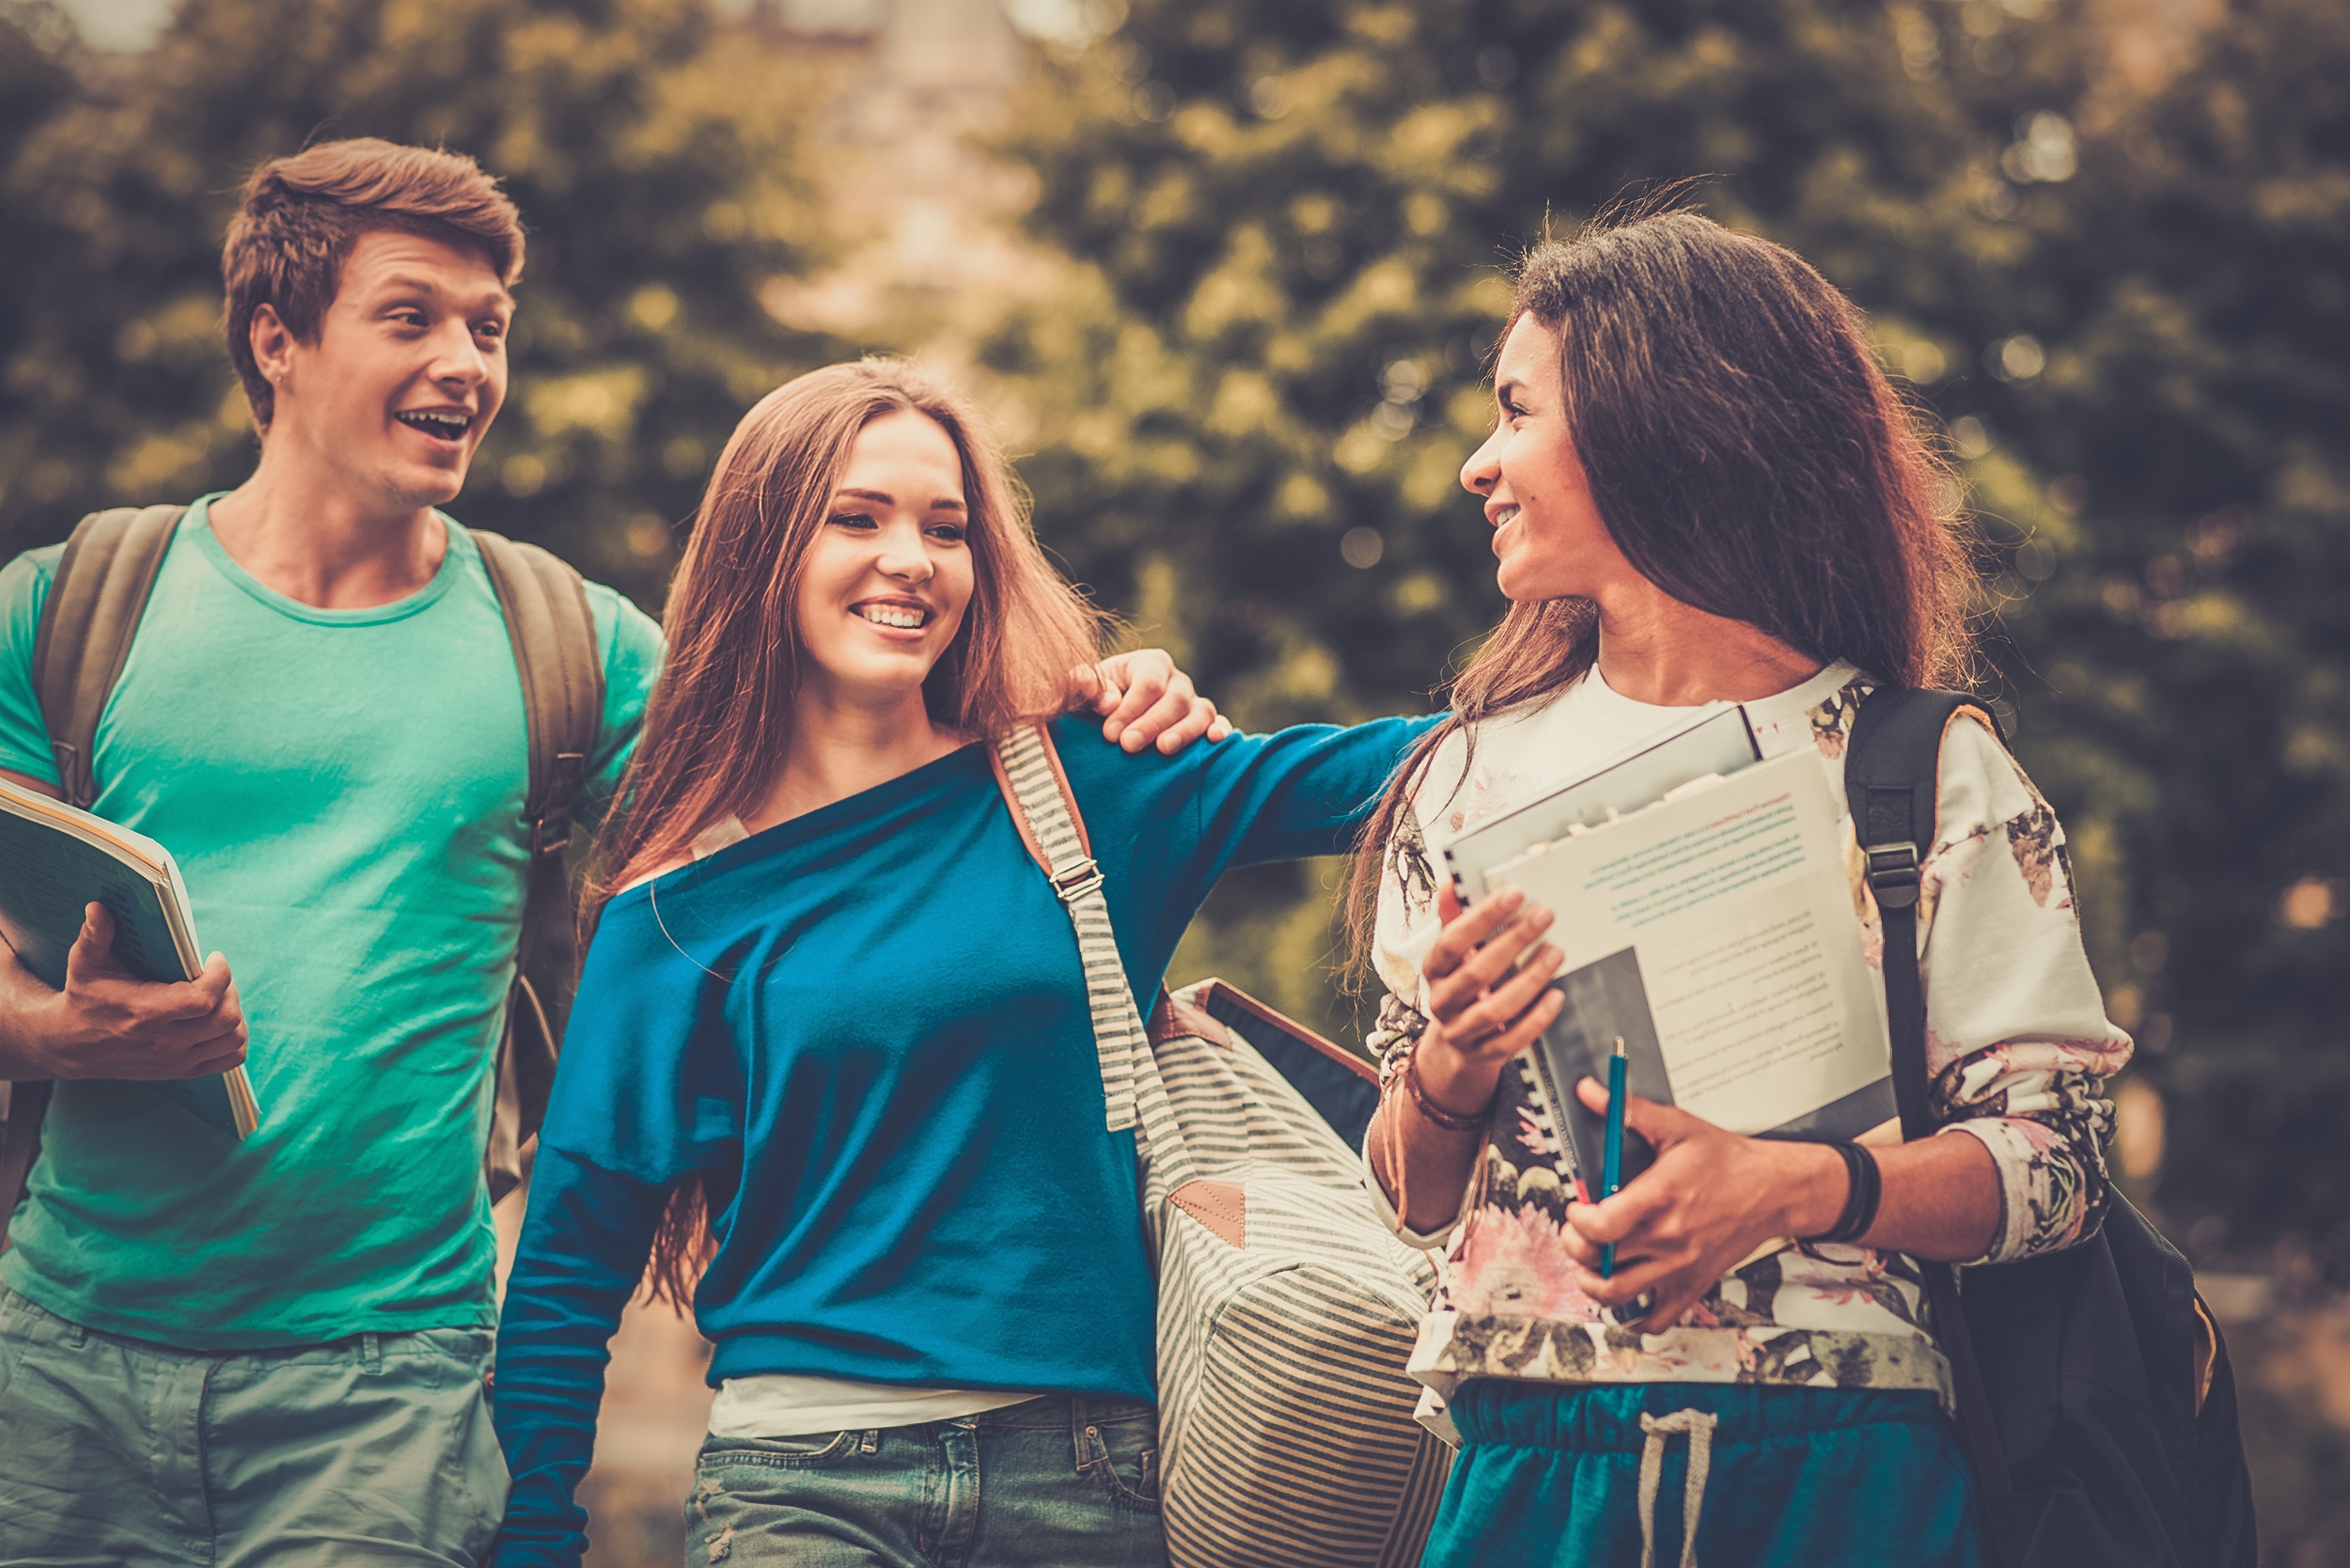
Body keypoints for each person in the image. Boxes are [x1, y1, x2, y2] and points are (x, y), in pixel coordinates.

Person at [0, 139, 1215, 1567]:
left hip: (389, 1387)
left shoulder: (574, 650)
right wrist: (53, 1030)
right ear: (277, 339)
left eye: (489, 328)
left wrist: (1066, 709)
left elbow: (855, 794)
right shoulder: (71, 608)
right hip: (62, 1357)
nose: (467, 362)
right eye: (413, 317)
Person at [488, 358, 1437, 1568]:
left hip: (1091, 1482)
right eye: (857, 517)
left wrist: (1638, 619)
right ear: (761, 551)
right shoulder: (675, 911)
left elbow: (1401, 778)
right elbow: (570, 1276)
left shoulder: (1087, 785)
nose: (911, 559)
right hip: (798, 1491)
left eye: (947, 528)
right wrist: (529, 1538)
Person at [1355, 211, 2132, 1567]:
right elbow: (1410, 1194)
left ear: (1659, 425)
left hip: (1846, 1467)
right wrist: (1451, 1061)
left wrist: (1792, 1187)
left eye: (1515, 412)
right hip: (1532, 1465)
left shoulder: (1924, 771)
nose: (1478, 465)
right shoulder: (1461, 780)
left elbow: (2056, 1168)